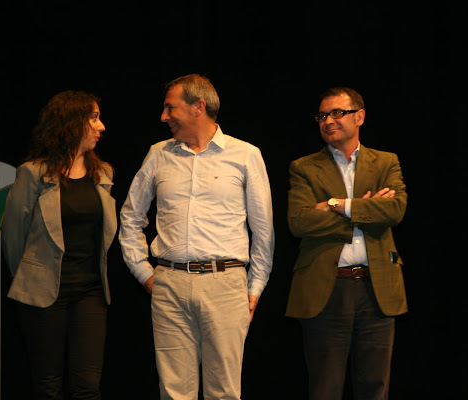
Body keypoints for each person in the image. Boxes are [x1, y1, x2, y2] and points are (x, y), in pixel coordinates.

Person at [119, 73, 275, 400]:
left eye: (170, 107)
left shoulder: (245, 155)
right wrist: (145, 273)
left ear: (198, 107)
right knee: (174, 392)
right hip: (170, 283)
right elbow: (131, 216)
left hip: (225, 284)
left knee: (224, 392)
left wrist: (255, 287)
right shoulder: (158, 154)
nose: (163, 117)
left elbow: (263, 231)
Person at [286, 87, 407, 400]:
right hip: (326, 290)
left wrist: (336, 205)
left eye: (337, 113)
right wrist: (367, 208)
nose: (328, 121)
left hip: (377, 288)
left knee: (375, 387)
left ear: (360, 116)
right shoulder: (304, 167)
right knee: (325, 388)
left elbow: (395, 211)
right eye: (322, 116)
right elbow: (299, 222)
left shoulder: (386, 162)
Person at [2, 90, 117, 399]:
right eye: (94, 118)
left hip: (90, 292)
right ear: (71, 122)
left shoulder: (103, 174)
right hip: (43, 295)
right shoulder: (33, 174)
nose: (101, 126)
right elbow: (13, 239)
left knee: (88, 386)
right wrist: (32, 278)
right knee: (48, 386)